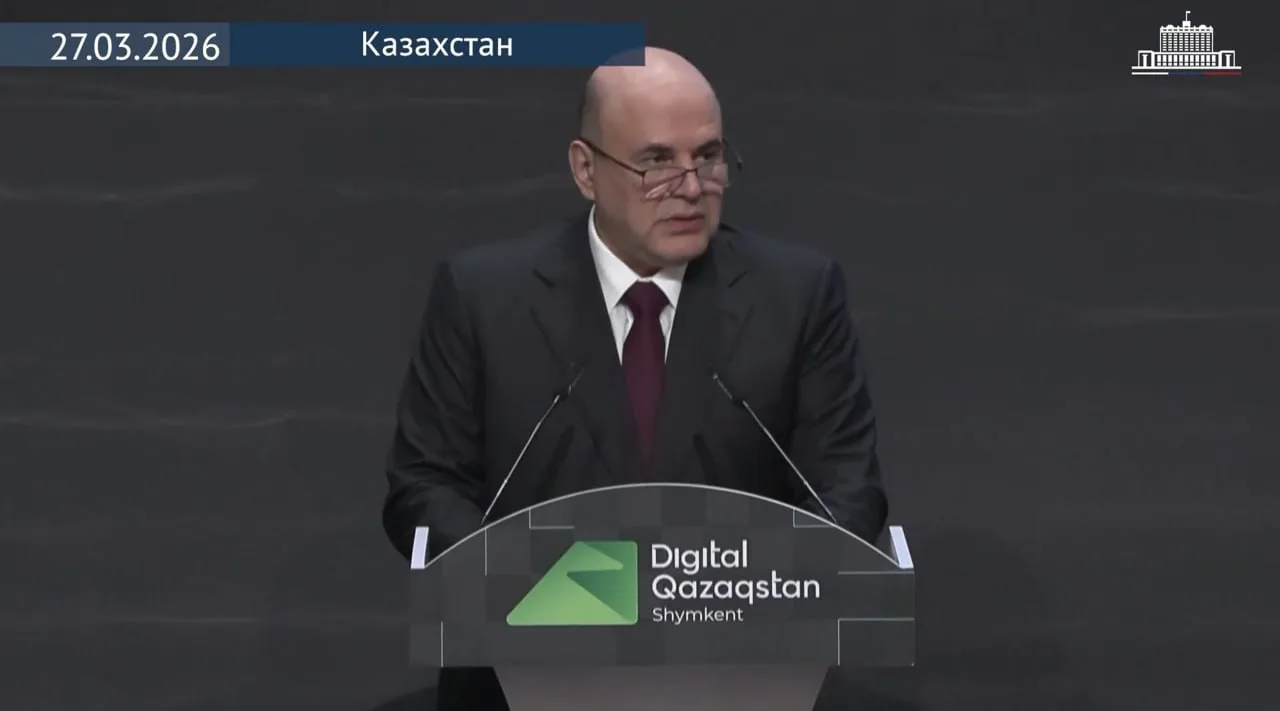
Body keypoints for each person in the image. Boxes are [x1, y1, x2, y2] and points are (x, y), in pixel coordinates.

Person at [382, 46, 889, 711]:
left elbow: (847, 491)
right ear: (585, 169)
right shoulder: (482, 295)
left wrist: (718, 590)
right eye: (656, 162)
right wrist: (564, 592)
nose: (691, 187)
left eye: (708, 157)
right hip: (524, 678)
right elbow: (424, 489)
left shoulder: (797, 294)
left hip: (735, 679)